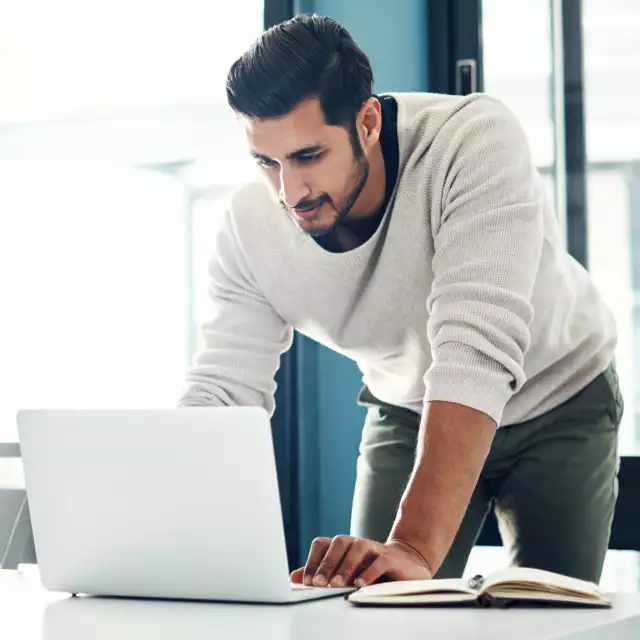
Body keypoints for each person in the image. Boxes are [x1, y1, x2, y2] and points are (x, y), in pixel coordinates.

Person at [179, 14, 623, 588]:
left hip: (559, 394)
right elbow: (224, 390)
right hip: (410, 404)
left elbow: (474, 353)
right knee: (372, 605)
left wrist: (414, 544)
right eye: (267, 161)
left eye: (309, 156)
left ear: (366, 121)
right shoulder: (248, 228)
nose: (291, 193)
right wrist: (165, 518)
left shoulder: (471, 141)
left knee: (549, 615)